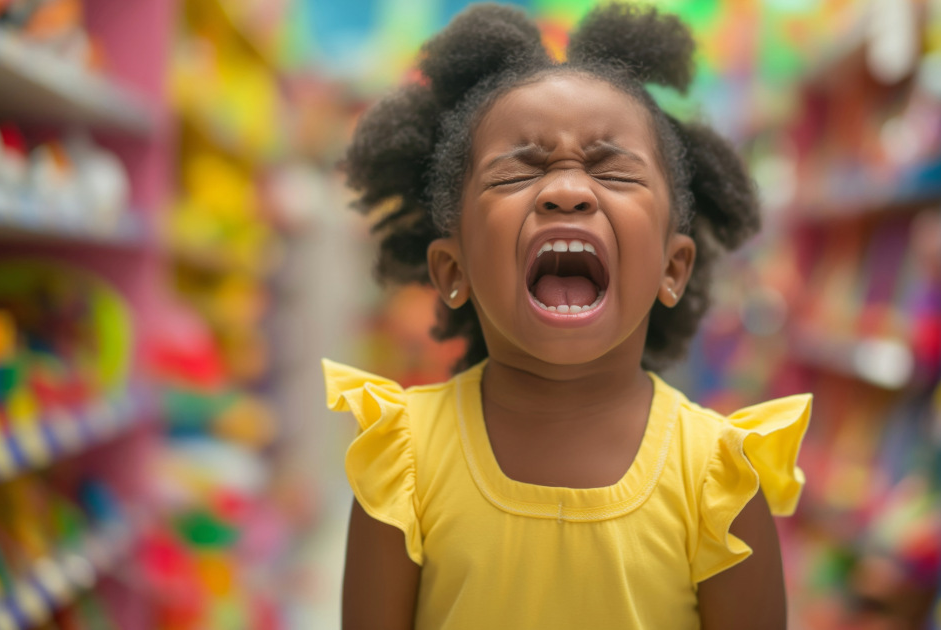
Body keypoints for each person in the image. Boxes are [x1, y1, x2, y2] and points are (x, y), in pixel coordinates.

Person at [325, 4, 811, 629]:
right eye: (517, 170)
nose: (567, 190)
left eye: (611, 168)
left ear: (673, 268)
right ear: (453, 271)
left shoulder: (719, 477)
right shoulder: (403, 460)